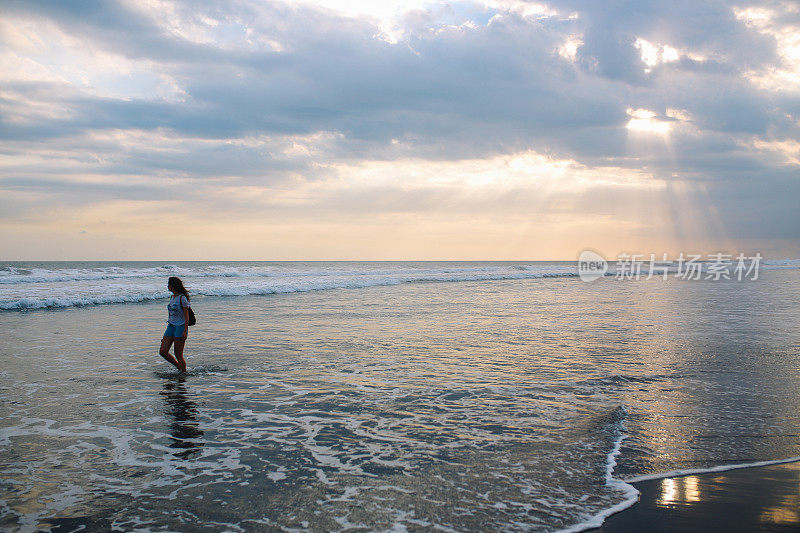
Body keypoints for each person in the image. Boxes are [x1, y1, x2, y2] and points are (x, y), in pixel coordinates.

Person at [159, 276, 191, 372]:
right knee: (163, 352)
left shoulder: (182, 298)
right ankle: (179, 367)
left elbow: (186, 316)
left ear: (173, 286)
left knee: (178, 354)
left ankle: (183, 374)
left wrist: (184, 332)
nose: (167, 286)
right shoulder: (172, 297)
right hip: (171, 326)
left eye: (169, 284)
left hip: (180, 327)